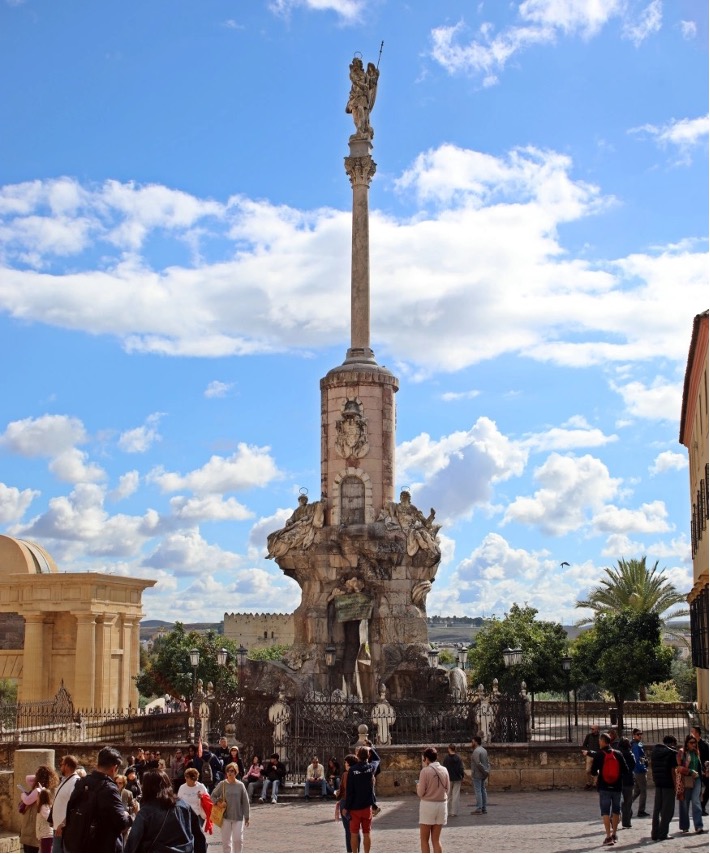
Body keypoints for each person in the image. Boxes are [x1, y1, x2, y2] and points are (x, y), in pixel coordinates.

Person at [64, 745, 132, 852]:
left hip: (78, 844)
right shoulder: (109, 789)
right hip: (102, 846)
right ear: (114, 768)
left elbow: (70, 807)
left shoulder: (82, 782)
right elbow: (121, 822)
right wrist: (128, 816)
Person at [125, 769, 206, 853]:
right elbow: (198, 836)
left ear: (146, 787)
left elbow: (133, 842)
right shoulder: (184, 805)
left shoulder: (146, 812)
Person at [589, 732, 631, 846]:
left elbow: (593, 771)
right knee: (616, 811)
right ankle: (614, 834)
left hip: (604, 786)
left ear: (603, 741)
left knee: (605, 812)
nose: (599, 742)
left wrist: (598, 775)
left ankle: (608, 836)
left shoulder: (599, 754)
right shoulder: (618, 753)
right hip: (617, 787)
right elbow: (626, 770)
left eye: (599, 740)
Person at [211, 763, 249, 854]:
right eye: (228, 771)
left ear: (236, 772)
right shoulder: (222, 784)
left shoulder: (240, 785)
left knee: (238, 840)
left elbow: (245, 801)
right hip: (225, 817)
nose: (229, 773)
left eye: (232, 771)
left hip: (238, 816)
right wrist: (219, 803)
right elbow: (212, 796)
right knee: (226, 842)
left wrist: (247, 816)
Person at [417, 747, 449, 854]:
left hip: (428, 805)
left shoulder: (425, 771)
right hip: (442, 805)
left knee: (424, 839)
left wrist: (418, 787)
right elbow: (447, 789)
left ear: (426, 758)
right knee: (436, 840)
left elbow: (420, 793)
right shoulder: (444, 770)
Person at [20, 765, 59, 853]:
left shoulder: (38, 790)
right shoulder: (51, 789)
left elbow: (27, 800)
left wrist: (23, 795)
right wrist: (44, 774)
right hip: (42, 831)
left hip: (34, 829)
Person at [344, 746, 375, 854]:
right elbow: (377, 759)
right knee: (367, 833)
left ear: (357, 755)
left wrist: (346, 807)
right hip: (367, 806)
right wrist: (370, 748)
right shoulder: (370, 768)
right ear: (368, 755)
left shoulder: (352, 770)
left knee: (354, 833)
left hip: (355, 807)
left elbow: (350, 791)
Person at [49, 755, 80, 853]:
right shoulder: (66, 780)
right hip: (58, 827)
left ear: (67, 766)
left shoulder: (75, 781)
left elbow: (75, 806)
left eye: (61, 765)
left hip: (64, 828)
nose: (60, 767)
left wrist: (63, 823)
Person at [650, 735, 679, 842]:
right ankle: (663, 833)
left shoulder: (655, 752)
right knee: (667, 810)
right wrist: (676, 785)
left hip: (658, 783)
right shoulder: (671, 753)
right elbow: (673, 771)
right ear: (673, 743)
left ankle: (655, 833)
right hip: (668, 784)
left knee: (657, 809)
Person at [677, 733, 705, 834]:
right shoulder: (682, 752)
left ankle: (698, 826)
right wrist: (690, 771)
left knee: (696, 801)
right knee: (685, 802)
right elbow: (678, 768)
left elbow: (698, 766)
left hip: (697, 779)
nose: (694, 744)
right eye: (691, 742)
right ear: (687, 743)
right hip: (686, 779)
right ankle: (684, 826)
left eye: (695, 742)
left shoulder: (696, 752)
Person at [335, 754, 359, 853]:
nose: (344, 764)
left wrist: (337, 794)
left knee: (348, 830)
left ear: (349, 764)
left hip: (346, 803)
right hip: (357, 803)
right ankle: (357, 850)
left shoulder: (346, 775)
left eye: (345, 762)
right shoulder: (359, 774)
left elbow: (342, 790)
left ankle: (350, 851)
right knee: (356, 829)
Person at [441, 743, 464, 818]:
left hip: (449, 778)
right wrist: (462, 776)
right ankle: (454, 812)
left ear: (449, 749)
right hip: (457, 778)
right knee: (455, 796)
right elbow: (461, 768)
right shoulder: (458, 758)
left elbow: (443, 769)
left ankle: (446, 811)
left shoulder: (446, 758)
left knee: (448, 795)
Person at [630, 728, 649, 817]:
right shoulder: (636, 745)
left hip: (637, 770)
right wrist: (643, 768)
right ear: (634, 735)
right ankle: (641, 811)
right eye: (638, 734)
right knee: (643, 791)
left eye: (641, 734)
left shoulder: (637, 744)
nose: (640, 736)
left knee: (637, 791)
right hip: (639, 770)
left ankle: (625, 804)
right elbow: (637, 759)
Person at [618, 737, 635, 829]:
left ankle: (616, 818)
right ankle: (626, 821)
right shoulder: (630, 754)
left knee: (619, 801)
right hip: (628, 780)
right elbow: (633, 766)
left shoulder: (617, 754)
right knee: (628, 802)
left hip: (619, 780)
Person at [691, 725, 709, 815]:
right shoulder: (690, 744)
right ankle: (698, 808)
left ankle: (702, 806)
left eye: (693, 732)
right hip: (694, 770)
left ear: (697, 733)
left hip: (703, 770)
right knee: (696, 790)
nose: (691, 733)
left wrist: (707, 768)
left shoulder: (704, 744)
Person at [470, 735, 489, 815]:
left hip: (477, 773)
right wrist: (486, 771)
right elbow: (487, 762)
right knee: (483, 790)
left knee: (478, 791)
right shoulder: (484, 750)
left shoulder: (476, 751)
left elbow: (478, 763)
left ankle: (479, 808)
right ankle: (484, 807)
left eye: (472, 742)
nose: (471, 743)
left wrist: (483, 771)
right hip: (483, 773)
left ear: (476, 742)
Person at [582, 724, 601, 789]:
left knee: (596, 770)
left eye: (593, 729)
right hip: (589, 755)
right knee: (588, 770)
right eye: (591, 729)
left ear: (597, 729)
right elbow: (584, 745)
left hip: (597, 755)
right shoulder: (588, 736)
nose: (592, 730)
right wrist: (587, 751)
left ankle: (595, 783)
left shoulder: (600, 737)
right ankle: (588, 783)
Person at [35, 789, 53, 853]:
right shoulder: (44, 807)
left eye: (38, 796)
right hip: (44, 835)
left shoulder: (44, 807)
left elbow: (49, 818)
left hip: (46, 835)